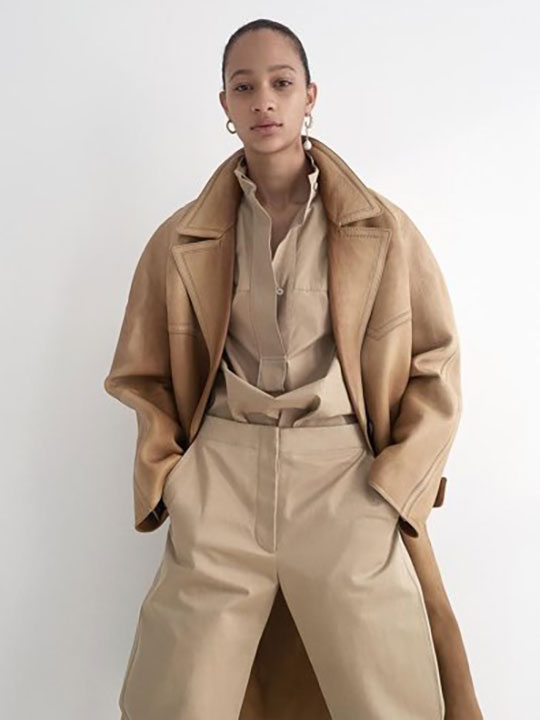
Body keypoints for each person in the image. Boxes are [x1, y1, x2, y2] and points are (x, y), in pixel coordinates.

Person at [104, 18, 484, 720]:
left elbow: (436, 365)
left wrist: (393, 488)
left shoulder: (382, 230)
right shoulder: (180, 238)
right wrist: (170, 477)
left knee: (388, 696)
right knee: (179, 697)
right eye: (244, 87)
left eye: (281, 83)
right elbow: (140, 372)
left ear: (310, 96)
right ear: (225, 104)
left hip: (345, 481)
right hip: (220, 479)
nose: (264, 101)